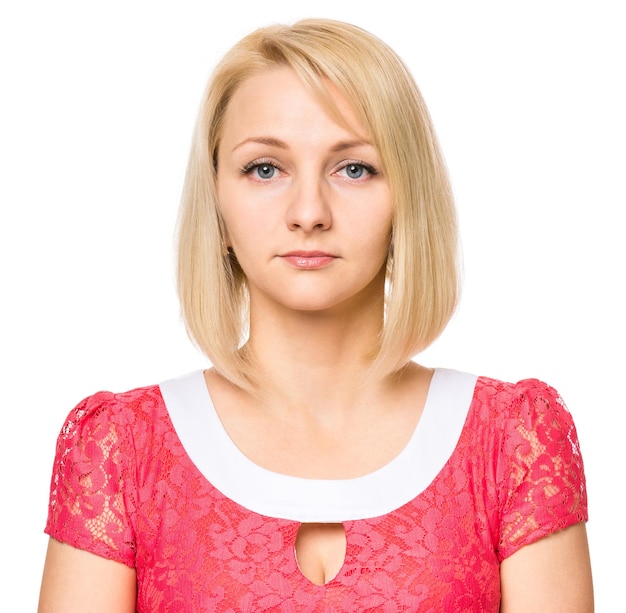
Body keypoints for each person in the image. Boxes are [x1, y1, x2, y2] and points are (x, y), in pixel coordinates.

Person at [38, 18, 593, 612]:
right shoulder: (120, 450)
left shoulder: (515, 443)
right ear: (217, 201)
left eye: (354, 168)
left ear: (407, 196)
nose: (309, 212)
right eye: (265, 169)